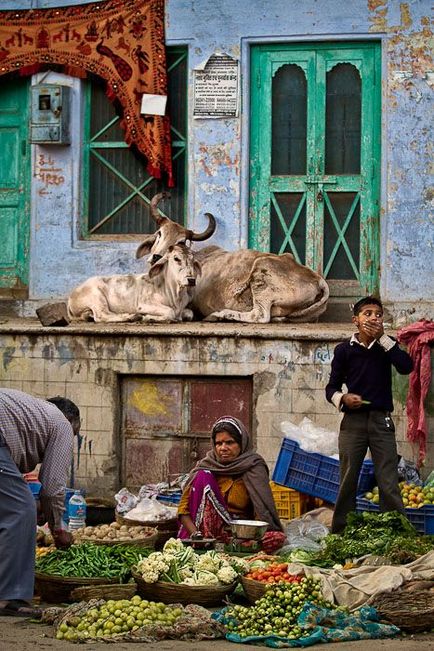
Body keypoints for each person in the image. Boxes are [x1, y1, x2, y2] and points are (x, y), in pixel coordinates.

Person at [325, 296, 414, 534]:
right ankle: (341, 532)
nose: (374, 317)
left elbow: (406, 366)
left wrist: (383, 338)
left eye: (378, 314)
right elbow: (331, 388)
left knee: (387, 480)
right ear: (355, 320)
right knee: (348, 478)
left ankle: (396, 531)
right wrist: (343, 399)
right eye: (367, 313)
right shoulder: (344, 350)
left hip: (381, 421)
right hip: (352, 422)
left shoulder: (387, 347)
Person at [0, 389, 81, 618]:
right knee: (21, 510)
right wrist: (57, 528)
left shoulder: (32, 412)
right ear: (72, 421)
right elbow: (53, 487)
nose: (72, 440)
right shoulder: (62, 425)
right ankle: (10, 598)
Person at [177, 416, 284, 549]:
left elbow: (262, 512)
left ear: (241, 443)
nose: (223, 448)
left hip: (241, 533)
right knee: (203, 476)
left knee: (278, 538)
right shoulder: (205, 466)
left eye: (230, 442)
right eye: (218, 443)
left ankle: (237, 546)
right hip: (205, 533)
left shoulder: (254, 467)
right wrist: (196, 536)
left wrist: (247, 537)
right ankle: (209, 545)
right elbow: (183, 511)